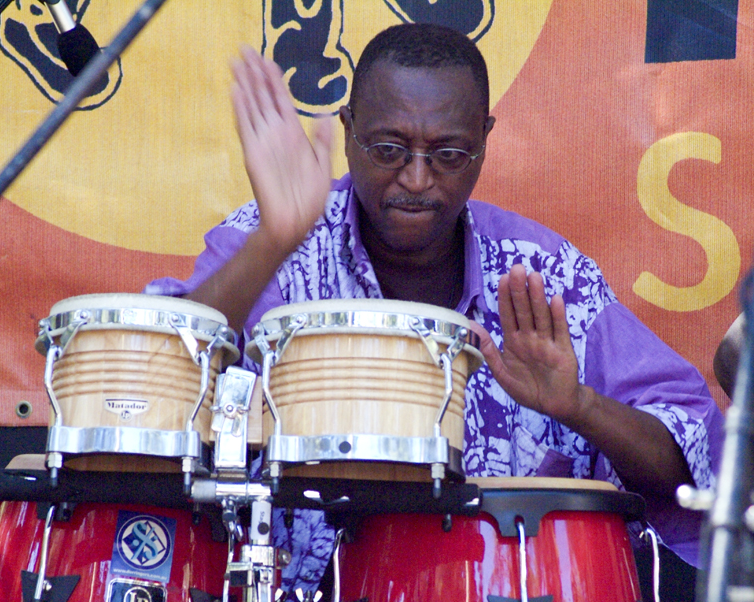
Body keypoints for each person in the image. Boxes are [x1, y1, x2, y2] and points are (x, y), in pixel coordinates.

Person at [146, 24, 724, 593]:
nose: (417, 179)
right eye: (389, 149)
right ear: (348, 130)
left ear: (483, 139)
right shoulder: (272, 244)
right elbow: (153, 385)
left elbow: (698, 457)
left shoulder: (546, 273)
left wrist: (581, 406)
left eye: (448, 153)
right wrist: (274, 239)